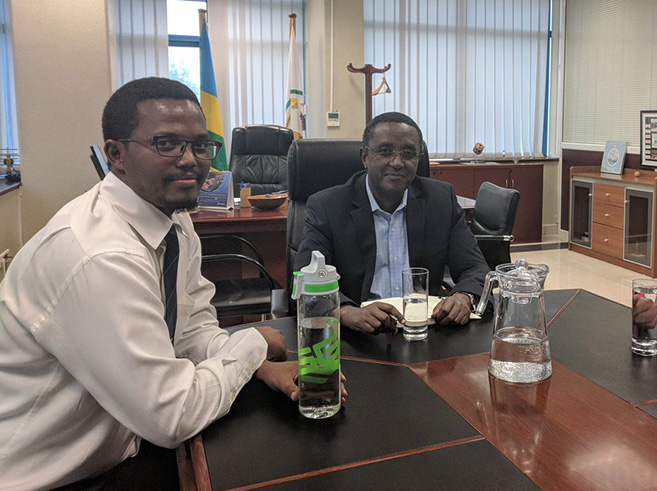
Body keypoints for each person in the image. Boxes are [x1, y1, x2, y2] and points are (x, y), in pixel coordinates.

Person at [0, 78, 314, 490]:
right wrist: (251, 344)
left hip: (125, 444)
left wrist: (258, 368)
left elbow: (192, 330)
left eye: (200, 145)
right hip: (51, 477)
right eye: (167, 144)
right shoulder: (100, 256)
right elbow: (174, 416)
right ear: (116, 154)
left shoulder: (173, 219)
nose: (190, 160)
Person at [294, 112, 491, 334]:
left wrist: (463, 297)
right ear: (365, 157)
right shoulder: (328, 206)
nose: (397, 163)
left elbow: (475, 268)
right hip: (358, 335)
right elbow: (305, 277)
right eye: (385, 151)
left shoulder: (441, 201)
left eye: (408, 153)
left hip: (426, 330)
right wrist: (346, 311)